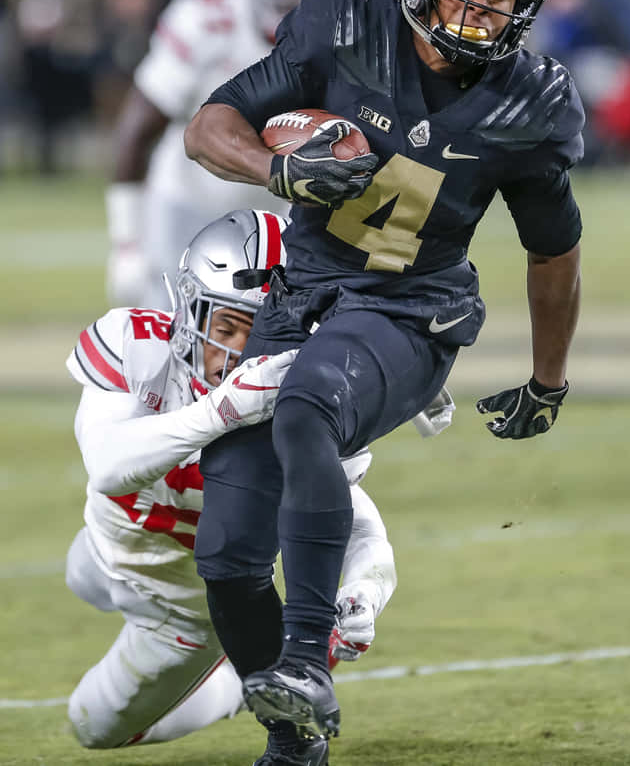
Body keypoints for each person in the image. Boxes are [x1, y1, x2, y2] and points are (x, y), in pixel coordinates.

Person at [183, 0, 583, 765]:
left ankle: (307, 662)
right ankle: (296, 742)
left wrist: (548, 381)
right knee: (230, 554)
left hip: (414, 310)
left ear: (524, 6)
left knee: (308, 406)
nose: (477, 4)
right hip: (304, 294)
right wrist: (277, 172)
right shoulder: (344, 19)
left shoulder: (531, 100)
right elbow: (209, 124)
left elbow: (554, 252)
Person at [65, 208, 452, 750]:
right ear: (187, 307)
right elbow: (106, 464)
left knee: (90, 727)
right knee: (79, 575)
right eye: (226, 326)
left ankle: (238, 683)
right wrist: (221, 411)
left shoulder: (298, 404)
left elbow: (354, 521)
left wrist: (367, 588)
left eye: (263, 331)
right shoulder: (137, 344)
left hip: (182, 612)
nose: (238, 353)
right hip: (107, 541)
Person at [106, 0, 349, 307]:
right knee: (169, 339)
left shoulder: (349, 40)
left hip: (280, 219)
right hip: (187, 204)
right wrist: (126, 243)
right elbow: (138, 128)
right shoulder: (203, 20)